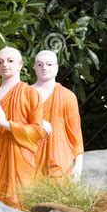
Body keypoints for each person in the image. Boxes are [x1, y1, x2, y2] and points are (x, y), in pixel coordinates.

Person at [0, 47, 45, 209]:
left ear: (20, 64)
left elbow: (38, 131)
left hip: (22, 155)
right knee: (1, 202)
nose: (5, 65)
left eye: (10, 61)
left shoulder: (30, 93)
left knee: (22, 202)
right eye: (0, 62)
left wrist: (8, 125)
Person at [32, 50, 84, 181]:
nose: (44, 68)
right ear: (34, 67)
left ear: (56, 68)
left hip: (60, 158)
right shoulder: (25, 94)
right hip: (31, 155)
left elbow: (75, 134)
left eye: (49, 64)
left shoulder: (67, 96)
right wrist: (37, 122)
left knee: (57, 200)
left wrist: (79, 164)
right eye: (39, 64)